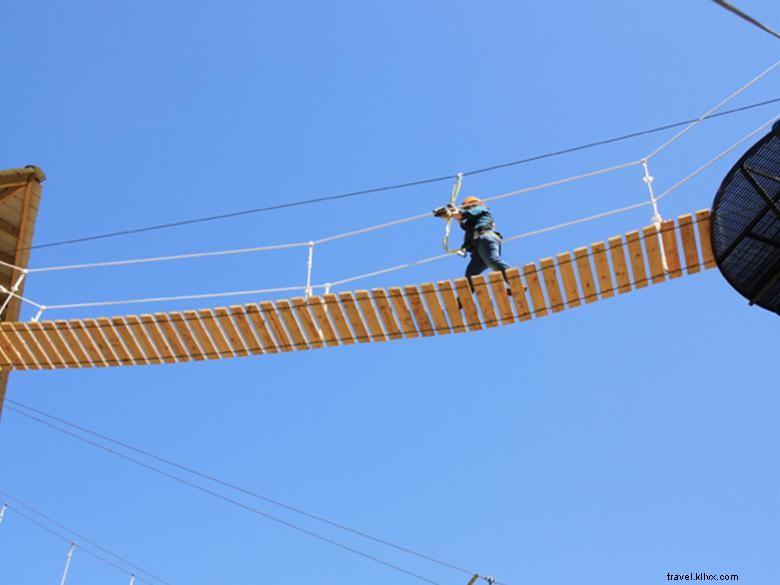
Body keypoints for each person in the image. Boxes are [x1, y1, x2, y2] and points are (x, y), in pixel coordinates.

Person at [444, 196, 512, 282]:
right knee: (470, 274)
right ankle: (466, 294)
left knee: (493, 260)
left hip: (485, 239)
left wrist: (450, 213)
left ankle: (514, 280)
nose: (467, 209)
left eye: (468, 207)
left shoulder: (481, 209)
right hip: (478, 248)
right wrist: (452, 214)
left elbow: (464, 215)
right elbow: (464, 224)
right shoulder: (472, 221)